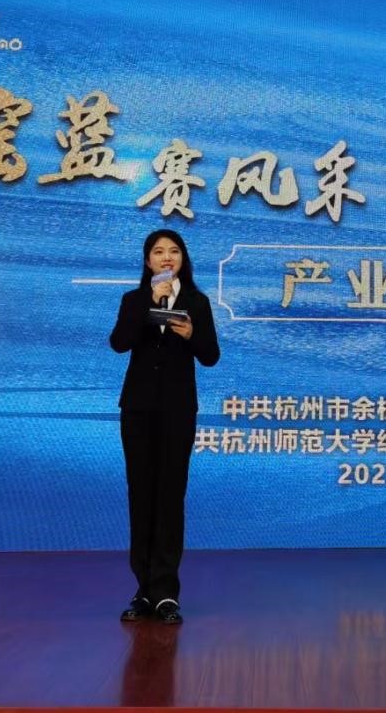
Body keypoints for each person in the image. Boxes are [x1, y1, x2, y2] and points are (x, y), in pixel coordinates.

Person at [109, 229, 220, 624]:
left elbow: (211, 355)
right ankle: (143, 591)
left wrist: (192, 335)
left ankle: (166, 592)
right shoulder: (134, 300)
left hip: (177, 411)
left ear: (183, 259)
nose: (166, 257)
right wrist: (148, 305)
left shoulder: (197, 302)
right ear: (148, 261)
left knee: (170, 497)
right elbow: (119, 342)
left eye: (174, 251)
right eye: (158, 252)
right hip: (137, 410)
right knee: (141, 496)